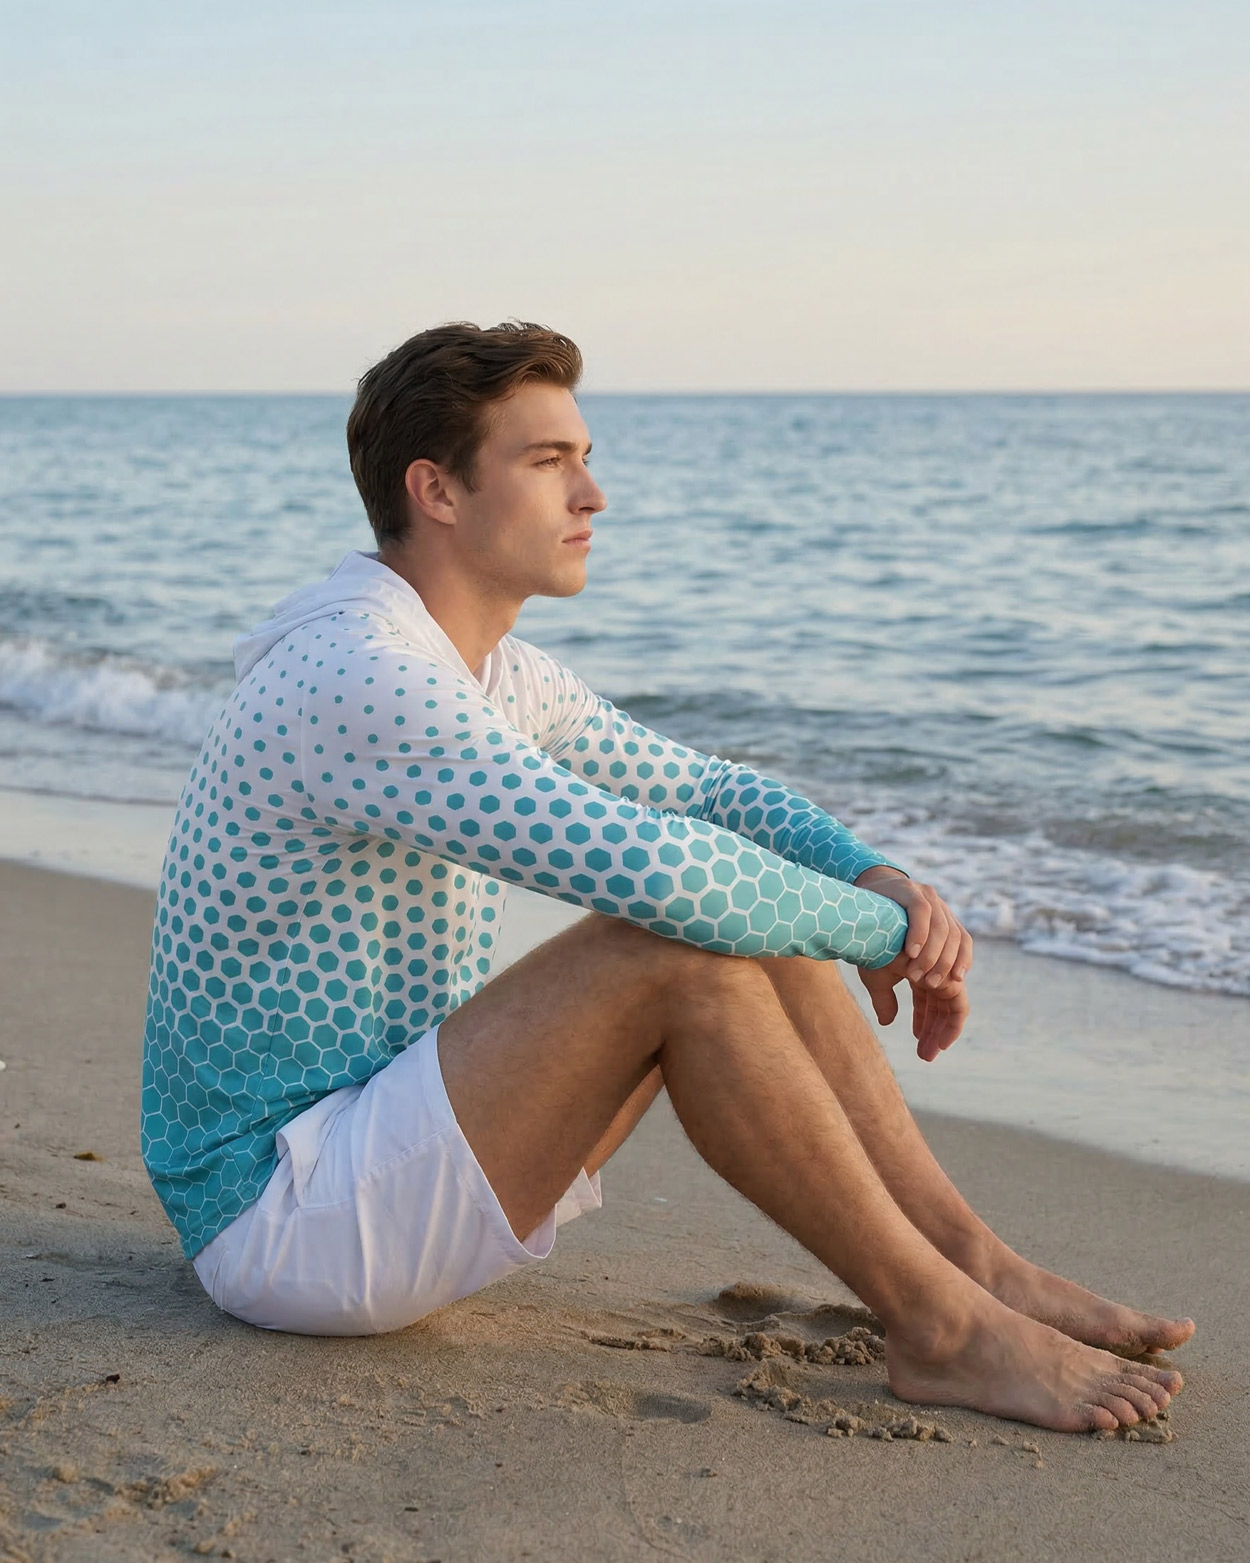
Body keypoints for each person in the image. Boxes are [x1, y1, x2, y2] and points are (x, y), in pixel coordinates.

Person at [141, 321, 1192, 1433]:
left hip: (387, 1156)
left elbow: (708, 795)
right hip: (283, 1216)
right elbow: (658, 869)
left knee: (750, 912)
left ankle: (972, 1265)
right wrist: (880, 936)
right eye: (548, 461)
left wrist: (875, 879)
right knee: (681, 942)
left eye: (584, 458)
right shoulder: (359, 675)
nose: (591, 494)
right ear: (436, 490)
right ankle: (939, 1326)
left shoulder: (495, 673)